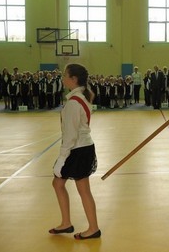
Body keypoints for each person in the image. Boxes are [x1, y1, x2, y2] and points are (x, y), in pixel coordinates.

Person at [50, 63, 101, 240]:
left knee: (78, 188)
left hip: (77, 149)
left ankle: (91, 228)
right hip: (84, 147)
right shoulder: (82, 96)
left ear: (74, 79)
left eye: (65, 75)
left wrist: (61, 159)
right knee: (61, 185)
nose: (62, 78)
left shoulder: (73, 102)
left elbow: (70, 135)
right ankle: (67, 223)